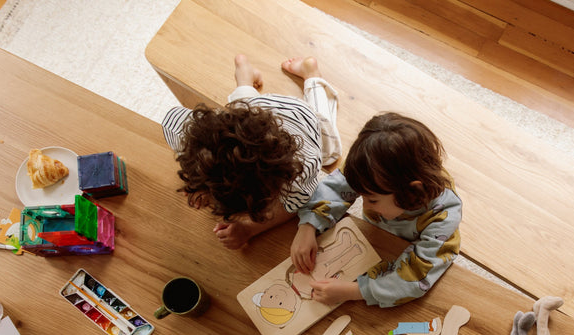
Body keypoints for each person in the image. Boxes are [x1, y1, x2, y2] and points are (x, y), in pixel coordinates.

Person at [161, 54, 341, 250]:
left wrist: (250, 229)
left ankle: (312, 76)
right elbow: (171, 120)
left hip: (301, 116)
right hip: (255, 112)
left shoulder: (302, 171)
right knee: (244, 103)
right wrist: (201, 184)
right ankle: (244, 72)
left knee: (331, 155)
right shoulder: (203, 130)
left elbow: (293, 206)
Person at [290, 112, 462, 308]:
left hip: (405, 253)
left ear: (412, 193)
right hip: (375, 239)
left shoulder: (443, 218)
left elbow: (416, 277)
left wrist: (353, 292)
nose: (363, 205)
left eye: (372, 199)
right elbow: (335, 187)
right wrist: (308, 226)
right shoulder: (371, 168)